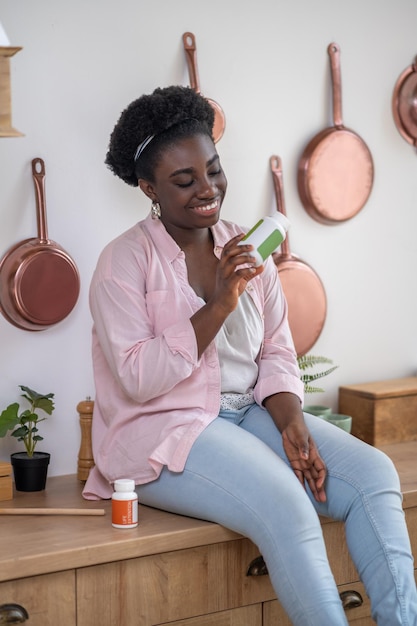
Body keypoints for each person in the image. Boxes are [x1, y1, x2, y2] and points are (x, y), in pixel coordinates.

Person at [83, 85, 417, 626]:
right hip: (162, 430)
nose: (208, 189)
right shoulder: (122, 263)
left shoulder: (246, 243)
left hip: (248, 416)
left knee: (374, 475)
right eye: (184, 181)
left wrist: (291, 423)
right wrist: (219, 301)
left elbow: (278, 352)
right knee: (287, 505)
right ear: (148, 187)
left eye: (213, 170)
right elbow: (140, 379)